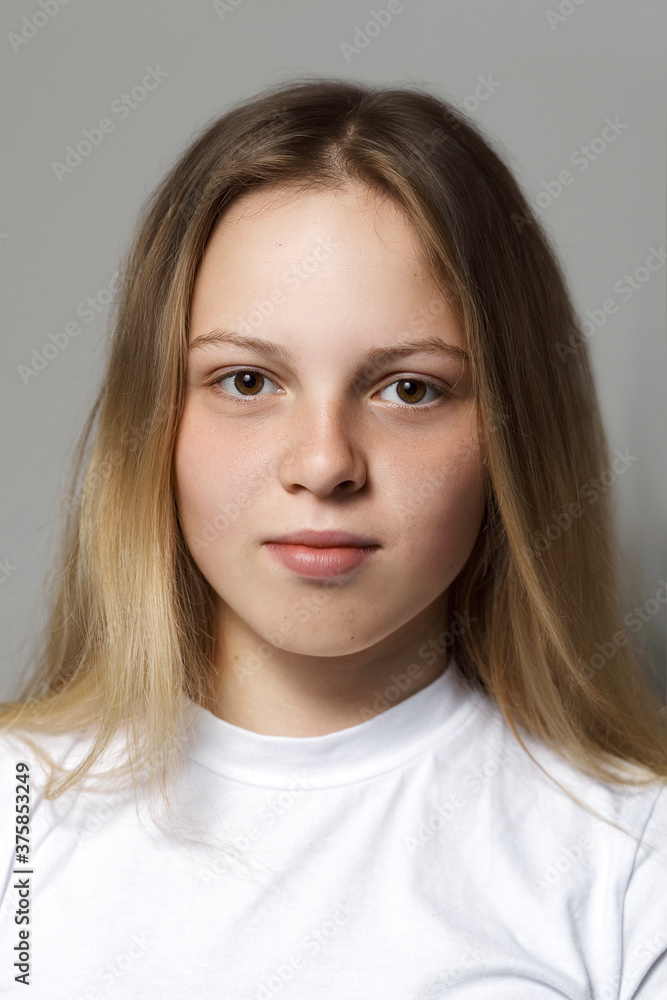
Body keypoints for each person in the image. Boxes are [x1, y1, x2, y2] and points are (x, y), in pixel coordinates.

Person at [1, 76, 665, 999]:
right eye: (245, 381)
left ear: (513, 433)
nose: (323, 464)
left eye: (408, 389)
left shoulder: (634, 854)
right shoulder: (16, 814)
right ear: (154, 421)